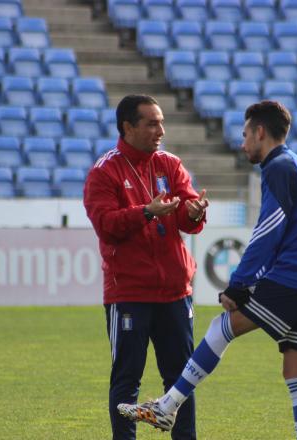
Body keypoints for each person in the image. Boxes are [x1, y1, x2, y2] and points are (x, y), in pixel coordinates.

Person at [117, 100, 297, 440]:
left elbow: (270, 229)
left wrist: (239, 285)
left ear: (260, 132)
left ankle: (167, 406)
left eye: (245, 135)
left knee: (222, 326)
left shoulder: (278, 166)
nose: (242, 144)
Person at [83, 94, 209, 440]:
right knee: (126, 380)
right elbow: (106, 224)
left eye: (162, 122)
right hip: (129, 293)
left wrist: (195, 212)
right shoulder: (103, 171)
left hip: (174, 291)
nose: (161, 130)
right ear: (128, 127)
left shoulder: (170, 164)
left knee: (182, 379)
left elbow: (185, 211)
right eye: (152, 123)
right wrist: (147, 212)